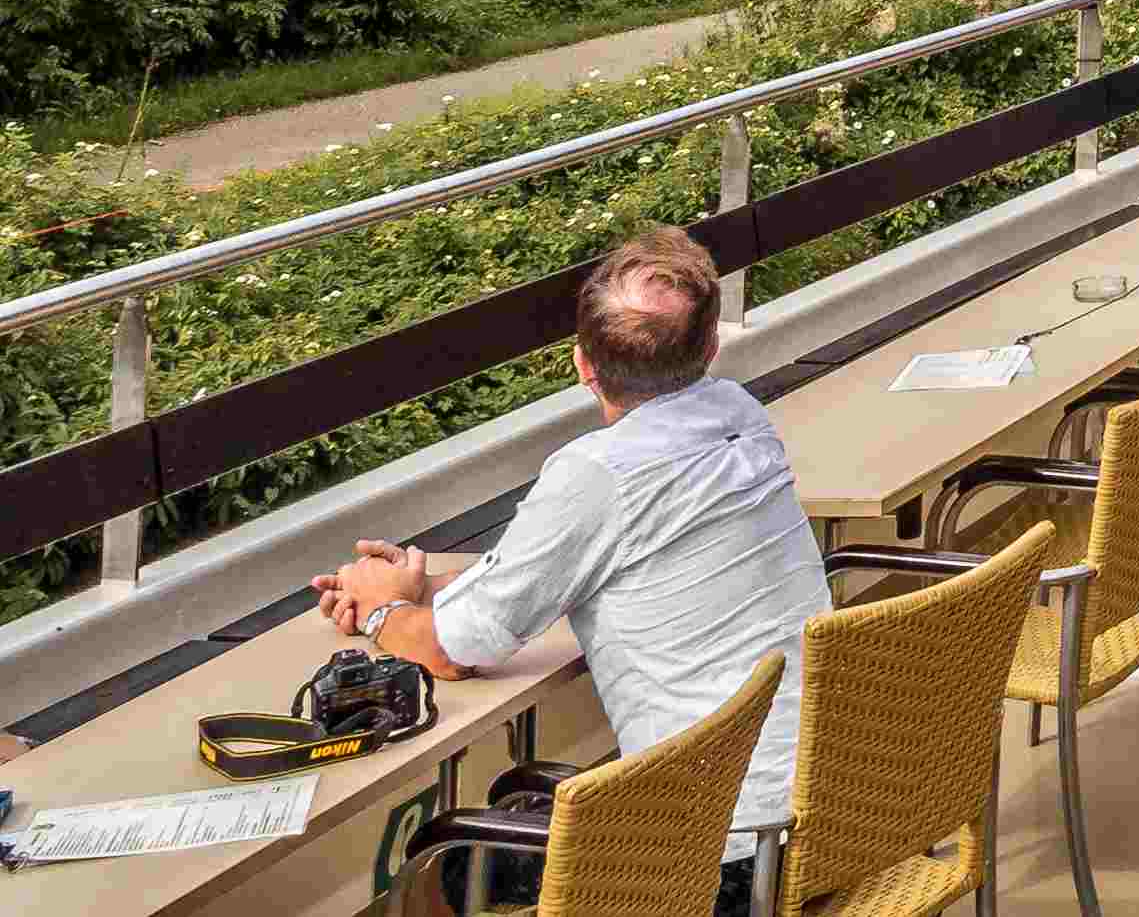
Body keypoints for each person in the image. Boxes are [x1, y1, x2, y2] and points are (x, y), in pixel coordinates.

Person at [316, 228, 824, 870]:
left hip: (714, 860)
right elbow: (576, 566)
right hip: (825, 814)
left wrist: (384, 612)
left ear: (582, 364)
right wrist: (422, 588)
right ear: (712, 348)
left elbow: (453, 652)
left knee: (446, 858)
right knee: (516, 803)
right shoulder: (739, 416)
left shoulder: (596, 473)